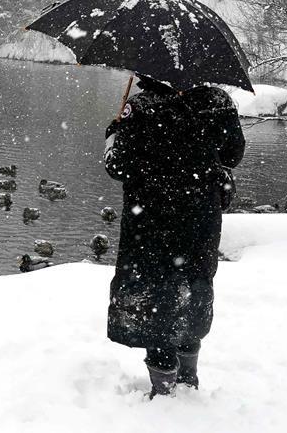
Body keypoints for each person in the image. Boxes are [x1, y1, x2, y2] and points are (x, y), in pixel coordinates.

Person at [102, 74, 245, 398]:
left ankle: (164, 387)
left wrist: (113, 134)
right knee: (190, 288)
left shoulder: (139, 108)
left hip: (150, 220)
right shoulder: (218, 102)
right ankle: (188, 379)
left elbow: (118, 167)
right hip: (200, 219)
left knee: (155, 295)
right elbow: (233, 156)